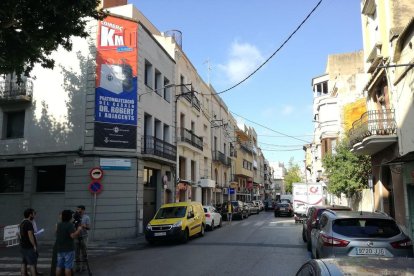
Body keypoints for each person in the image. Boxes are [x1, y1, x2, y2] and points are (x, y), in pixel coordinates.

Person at [55, 210, 82, 276]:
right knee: (68, 267)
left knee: (59, 266)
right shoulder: (70, 225)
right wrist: (78, 230)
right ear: (69, 216)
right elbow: (72, 236)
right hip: (68, 249)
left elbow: (56, 234)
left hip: (60, 248)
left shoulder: (58, 224)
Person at [19, 208, 39, 276]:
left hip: (23, 245)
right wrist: (34, 245)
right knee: (32, 264)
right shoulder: (28, 223)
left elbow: (19, 234)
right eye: (33, 214)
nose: (34, 215)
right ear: (30, 215)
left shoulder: (22, 223)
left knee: (24, 262)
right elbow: (30, 235)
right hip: (29, 246)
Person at [74, 205, 90, 272]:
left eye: (79, 209)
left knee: (84, 252)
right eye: (77, 209)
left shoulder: (86, 217)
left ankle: (84, 266)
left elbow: (89, 228)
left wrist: (83, 226)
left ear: (83, 210)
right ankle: (77, 267)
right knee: (76, 253)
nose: (78, 211)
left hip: (84, 237)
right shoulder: (75, 217)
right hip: (76, 237)